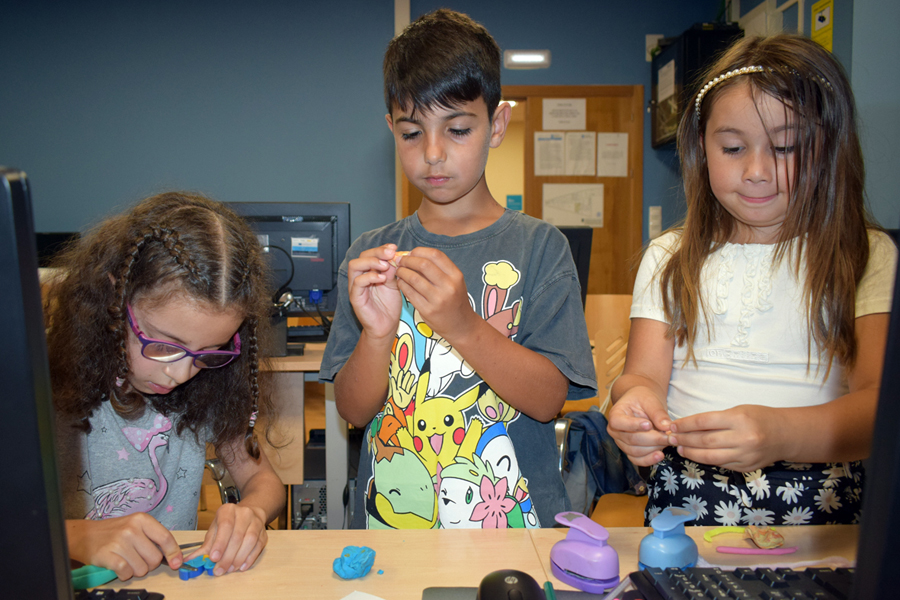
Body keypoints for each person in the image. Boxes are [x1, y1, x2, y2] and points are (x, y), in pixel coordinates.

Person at [319, 9, 596, 529]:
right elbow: (353, 412)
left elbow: (548, 400)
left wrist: (463, 325)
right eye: (411, 133)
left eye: (459, 129)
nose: (433, 154)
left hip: (514, 530)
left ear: (497, 125)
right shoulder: (373, 254)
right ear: (391, 131)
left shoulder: (540, 248)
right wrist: (378, 335)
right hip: (392, 527)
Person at [608, 34, 898, 526]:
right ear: (702, 148)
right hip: (686, 497)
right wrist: (632, 401)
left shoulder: (866, 254)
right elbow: (644, 376)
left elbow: (878, 407)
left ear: (828, 149)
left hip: (823, 506)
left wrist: (782, 432)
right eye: (734, 147)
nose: (757, 171)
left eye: (785, 147)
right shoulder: (669, 256)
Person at [47, 192, 285, 580]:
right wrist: (74, 536)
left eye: (209, 351)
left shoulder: (208, 385)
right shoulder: (45, 392)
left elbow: (262, 480)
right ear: (114, 296)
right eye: (162, 345)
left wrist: (251, 513)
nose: (181, 373)